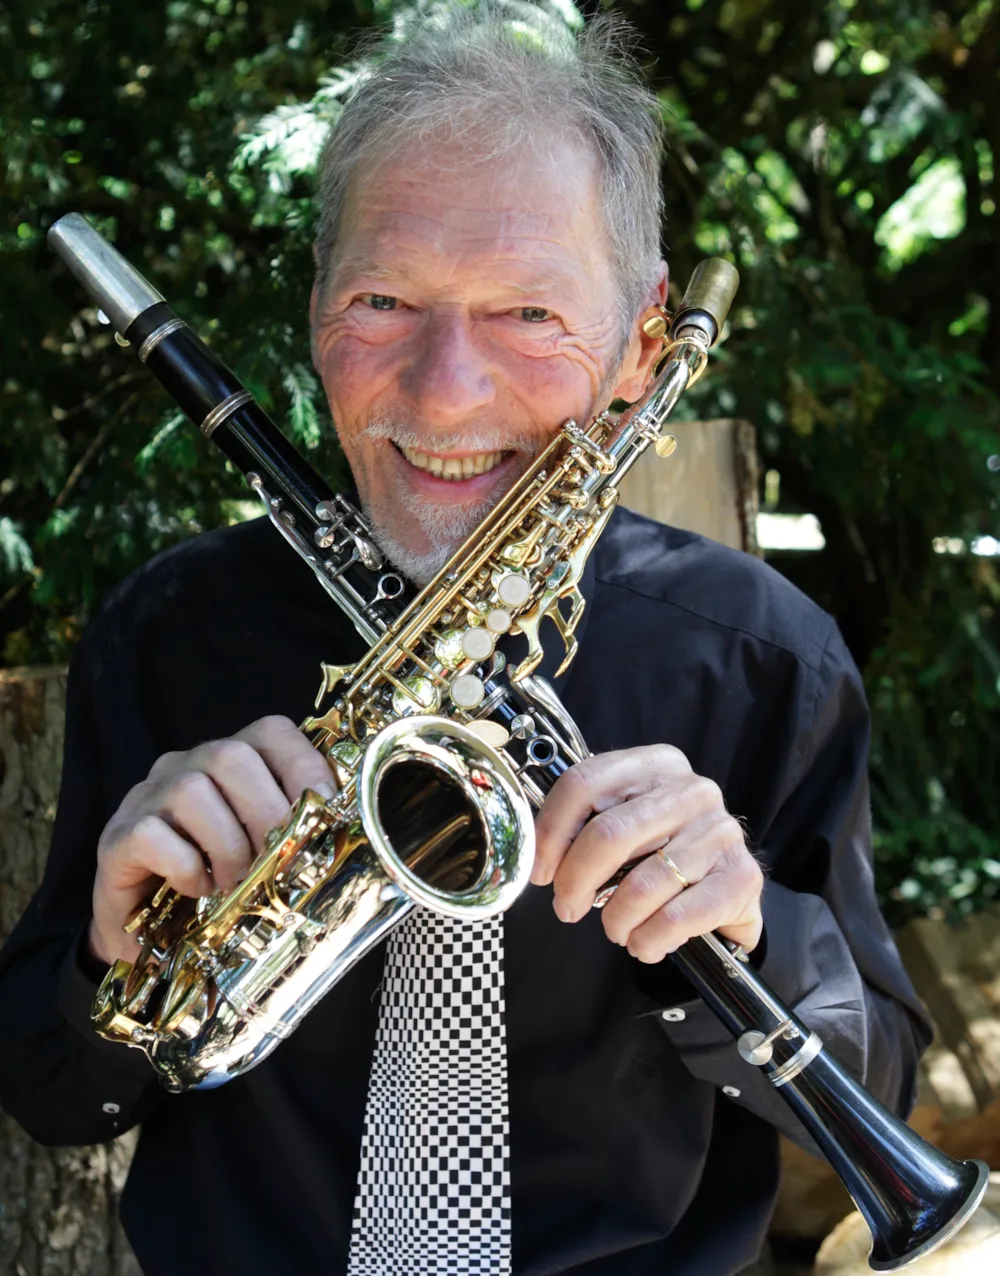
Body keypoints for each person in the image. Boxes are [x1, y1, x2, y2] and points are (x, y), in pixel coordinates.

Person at [0, 8, 930, 1275]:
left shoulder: (763, 655)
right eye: (384, 300)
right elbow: (50, 1088)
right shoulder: (167, 632)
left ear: (642, 343)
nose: (444, 391)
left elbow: (881, 1071)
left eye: (529, 313)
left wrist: (755, 928)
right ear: (316, 308)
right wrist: (115, 957)